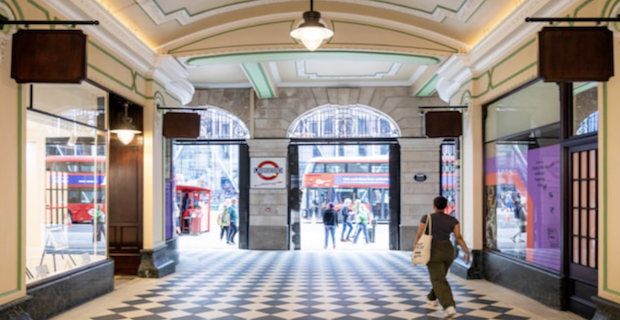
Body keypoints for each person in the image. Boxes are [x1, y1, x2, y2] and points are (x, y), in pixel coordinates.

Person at [414, 196, 471, 319]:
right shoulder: (453, 220)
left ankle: (449, 306)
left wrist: (416, 250)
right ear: (446, 207)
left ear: (434, 205)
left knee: (438, 279)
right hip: (448, 251)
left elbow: (419, 235)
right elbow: (458, 237)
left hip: (433, 250)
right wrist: (467, 251)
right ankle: (431, 297)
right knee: (440, 277)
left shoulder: (427, 218)